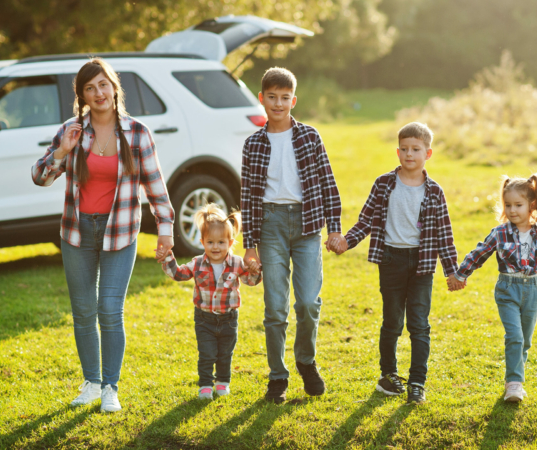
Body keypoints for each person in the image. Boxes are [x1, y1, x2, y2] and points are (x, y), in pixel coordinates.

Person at [31, 57, 174, 412]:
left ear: (114, 88)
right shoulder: (72, 130)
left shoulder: (138, 132)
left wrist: (166, 229)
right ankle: (92, 383)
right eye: (89, 88)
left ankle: (111, 386)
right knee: (83, 312)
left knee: (110, 309)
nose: (98, 93)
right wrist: (62, 150)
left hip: (120, 232)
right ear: (81, 95)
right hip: (77, 233)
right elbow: (39, 176)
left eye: (103, 85)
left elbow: (155, 186)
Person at [337, 122, 461, 404]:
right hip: (391, 259)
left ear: (427, 154)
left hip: (422, 264)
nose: (409, 154)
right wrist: (347, 241)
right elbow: (366, 220)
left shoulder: (434, 192)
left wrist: (452, 272)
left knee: (419, 324)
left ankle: (417, 381)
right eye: (404, 149)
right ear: (397, 151)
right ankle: (388, 375)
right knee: (392, 321)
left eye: (415, 149)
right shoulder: (383, 184)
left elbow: (444, 235)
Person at [240, 67, 343, 403]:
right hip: (269, 225)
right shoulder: (253, 144)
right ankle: (278, 376)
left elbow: (328, 183)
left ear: (293, 100)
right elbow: (248, 197)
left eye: (285, 98)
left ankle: (306, 360)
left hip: (307, 225)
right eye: (272, 97)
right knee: (274, 308)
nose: (278, 103)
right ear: (262, 99)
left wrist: (335, 228)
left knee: (309, 303)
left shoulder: (310, 137)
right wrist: (250, 245)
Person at [449, 173, 537, 402]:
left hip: (531, 289)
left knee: (525, 340)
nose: (512, 210)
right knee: (515, 337)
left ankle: (516, 379)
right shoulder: (500, 232)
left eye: (518, 205)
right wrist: (460, 275)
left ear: (533, 205)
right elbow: (479, 253)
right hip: (507, 288)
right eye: (508, 205)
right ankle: (514, 384)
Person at [159, 204, 261, 399]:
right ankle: (205, 385)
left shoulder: (238, 263)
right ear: (202, 242)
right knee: (206, 354)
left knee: (224, 354)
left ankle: (222, 382)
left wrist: (256, 270)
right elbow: (179, 274)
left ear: (230, 242)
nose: (216, 247)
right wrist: (167, 258)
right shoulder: (197, 263)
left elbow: (251, 281)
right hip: (204, 319)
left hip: (229, 320)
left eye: (221, 242)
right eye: (211, 242)